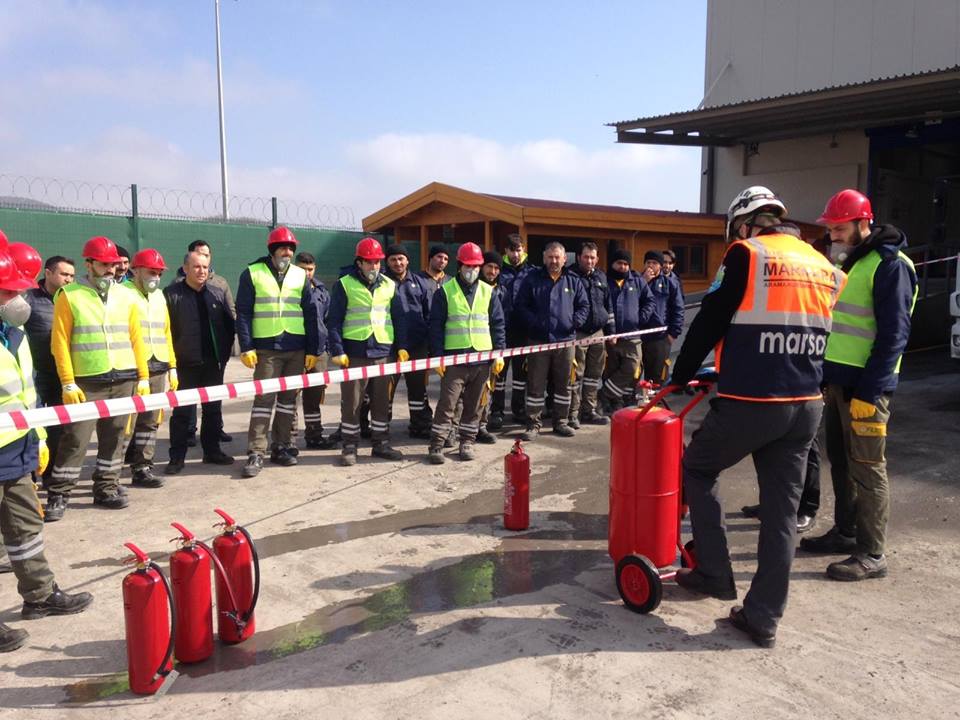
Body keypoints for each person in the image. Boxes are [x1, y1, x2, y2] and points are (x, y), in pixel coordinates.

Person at [670, 186, 845, 648]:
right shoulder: (821, 264)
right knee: (782, 513)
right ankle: (763, 617)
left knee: (698, 467)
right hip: (806, 404)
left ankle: (713, 572)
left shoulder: (747, 254)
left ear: (745, 224)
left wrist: (680, 375)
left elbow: (710, 319)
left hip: (752, 401)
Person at [799, 189, 917, 581]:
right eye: (831, 228)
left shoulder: (891, 265)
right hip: (839, 384)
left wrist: (870, 391)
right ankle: (846, 532)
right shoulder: (856, 261)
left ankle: (872, 553)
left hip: (866, 390)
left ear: (863, 222)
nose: (832, 234)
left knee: (868, 470)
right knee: (842, 464)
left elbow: (894, 335)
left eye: (839, 228)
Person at [0, 246, 93, 653]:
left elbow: (27, 393)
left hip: (15, 450)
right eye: (8, 292)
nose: (17, 299)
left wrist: (37, 438)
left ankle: (39, 596)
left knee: (26, 528)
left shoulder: (14, 334)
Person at [44, 237, 150, 520]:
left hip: (124, 377)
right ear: (89, 264)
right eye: (104, 265)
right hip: (87, 381)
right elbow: (60, 343)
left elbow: (136, 338)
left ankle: (106, 487)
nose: (110, 270)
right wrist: (68, 381)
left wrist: (143, 376)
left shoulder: (126, 296)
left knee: (116, 438)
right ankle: (59, 493)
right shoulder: (70, 295)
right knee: (75, 440)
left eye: (113, 265)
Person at [235, 227, 322, 477]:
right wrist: (246, 346)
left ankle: (281, 446)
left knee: (287, 401)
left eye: (291, 248)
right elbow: (243, 312)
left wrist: (313, 349)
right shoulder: (253, 273)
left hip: (296, 347)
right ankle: (256, 452)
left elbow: (310, 312)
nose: (288, 252)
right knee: (263, 401)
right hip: (267, 348)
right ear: (272, 250)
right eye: (283, 248)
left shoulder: (299, 275)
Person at [327, 237, 408, 466]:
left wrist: (402, 347)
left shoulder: (389, 285)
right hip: (355, 353)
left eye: (377, 262)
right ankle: (349, 446)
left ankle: (380, 443)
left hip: (383, 351)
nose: (374, 266)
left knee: (381, 401)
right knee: (352, 402)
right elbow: (334, 320)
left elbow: (399, 318)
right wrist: (338, 349)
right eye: (370, 262)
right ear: (359, 263)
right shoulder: (344, 285)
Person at [427, 243, 506, 463]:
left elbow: (498, 324)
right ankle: (436, 444)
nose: (472, 270)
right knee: (447, 403)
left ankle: (467, 442)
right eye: (468, 266)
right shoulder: (445, 291)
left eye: (476, 266)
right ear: (460, 265)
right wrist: (438, 356)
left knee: (475, 404)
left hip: (482, 358)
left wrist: (499, 352)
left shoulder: (488, 292)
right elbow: (435, 327)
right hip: (455, 358)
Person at [164, 250, 236, 473]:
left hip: (212, 363)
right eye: (196, 267)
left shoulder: (216, 294)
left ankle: (212, 451)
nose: (202, 271)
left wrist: (222, 356)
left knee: (213, 410)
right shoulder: (171, 295)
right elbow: (165, 331)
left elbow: (229, 326)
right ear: (185, 268)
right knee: (182, 413)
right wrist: (172, 363)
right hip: (185, 364)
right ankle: (176, 458)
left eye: (205, 267)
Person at [515, 241, 588, 439]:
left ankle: (561, 422)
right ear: (544, 258)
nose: (554, 261)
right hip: (538, 341)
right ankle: (533, 424)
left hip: (566, 341)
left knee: (564, 385)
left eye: (557, 257)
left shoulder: (573, 281)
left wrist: (574, 322)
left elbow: (584, 306)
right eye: (550, 257)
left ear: (564, 259)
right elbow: (521, 306)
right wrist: (534, 323)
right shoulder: (532, 279)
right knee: (535, 384)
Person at [121, 250, 178, 488]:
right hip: (132, 367)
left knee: (150, 421)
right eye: (151, 272)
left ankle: (143, 467)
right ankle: (111, 475)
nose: (155, 277)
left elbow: (166, 332)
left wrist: (172, 366)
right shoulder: (122, 294)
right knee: (126, 424)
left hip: (158, 365)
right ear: (135, 271)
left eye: (159, 273)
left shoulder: (159, 296)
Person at [24, 253, 74, 489]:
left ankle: (52, 476)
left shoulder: (72, 299)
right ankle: (28, 478)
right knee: (31, 427)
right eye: (64, 274)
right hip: (33, 376)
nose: (68, 279)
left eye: (72, 276)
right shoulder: (29, 299)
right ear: (48, 273)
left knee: (59, 428)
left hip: (61, 375)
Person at [383, 244, 433, 439]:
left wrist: (428, 342)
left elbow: (428, 313)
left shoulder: (419, 283)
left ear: (407, 260)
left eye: (401, 259)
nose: (398, 263)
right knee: (386, 388)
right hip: (390, 345)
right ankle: (381, 427)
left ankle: (420, 424)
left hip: (416, 345)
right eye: (393, 259)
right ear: (387, 262)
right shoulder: (382, 283)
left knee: (418, 388)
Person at [598, 249, 655, 413]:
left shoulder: (637, 281)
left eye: (625, 264)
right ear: (612, 264)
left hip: (632, 335)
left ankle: (603, 394)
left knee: (632, 367)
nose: (622, 267)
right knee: (611, 370)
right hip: (610, 336)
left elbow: (649, 301)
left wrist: (640, 318)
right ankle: (615, 403)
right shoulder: (605, 282)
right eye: (619, 263)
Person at [490, 233, 534, 428]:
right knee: (499, 373)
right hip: (503, 331)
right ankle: (496, 411)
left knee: (520, 375)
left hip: (523, 332)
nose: (516, 254)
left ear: (523, 249)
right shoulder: (499, 271)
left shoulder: (532, 272)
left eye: (519, 250)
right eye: (512, 250)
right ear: (506, 251)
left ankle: (519, 409)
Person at [568, 241, 613, 427]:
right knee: (575, 375)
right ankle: (573, 413)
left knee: (594, 375)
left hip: (598, 334)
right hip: (578, 334)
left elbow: (608, 305)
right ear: (579, 257)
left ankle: (590, 411)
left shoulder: (601, 276)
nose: (589, 261)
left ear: (597, 258)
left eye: (592, 257)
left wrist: (611, 332)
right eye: (586, 257)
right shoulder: (570, 276)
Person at [294, 252, 335, 449]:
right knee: (290, 396)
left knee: (314, 396)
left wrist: (326, 349)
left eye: (310, 269)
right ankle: (287, 439)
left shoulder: (321, 291)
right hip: (295, 350)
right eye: (302, 269)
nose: (307, 273)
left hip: (318, 352)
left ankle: (314, 435)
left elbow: (328, 321)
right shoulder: (288, 289)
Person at [640, 250, 684, 384]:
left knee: (657, 377)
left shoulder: (670, 283)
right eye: (648, 262)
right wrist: (644, 282)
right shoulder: (636, 281)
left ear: (660, 265)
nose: (651, 266)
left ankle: (655, 397)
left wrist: (673, 334)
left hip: (660, 337)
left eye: (654, 263)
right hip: (638, 336)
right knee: (635, 375)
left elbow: (678, 309)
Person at [476, 250, 505, 442]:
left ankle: (481, 426)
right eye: (489, 267)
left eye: (496, 268)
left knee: (486, 390)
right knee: (462, 395)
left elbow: (501, 323)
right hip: (468, 349)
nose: (492, 271)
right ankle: (456, 429)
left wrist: (499, 350)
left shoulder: (502, 291)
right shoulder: (473, 289)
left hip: (490, 348)